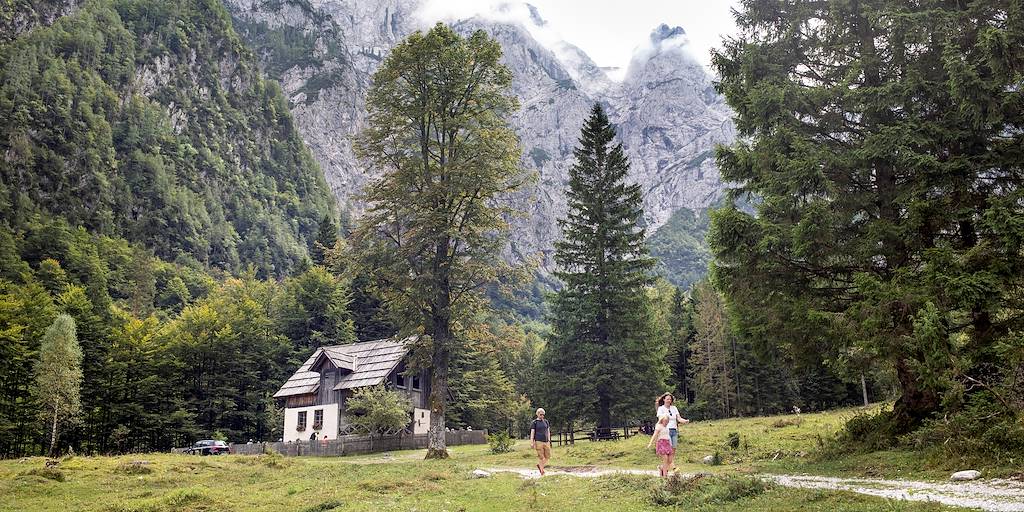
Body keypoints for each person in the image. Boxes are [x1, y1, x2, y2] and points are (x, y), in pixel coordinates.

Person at [530, 408, 551, 476]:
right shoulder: (534, 422)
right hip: (538, 441)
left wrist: (549, 439)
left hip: (546, 441)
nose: (542, 416)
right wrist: (532, 442)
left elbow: (548, 431)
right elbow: (532, 432)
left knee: (547, 456)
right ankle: (542, 471)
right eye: (541, 414)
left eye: (543, 415)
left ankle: (540, 465)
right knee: (541, 457)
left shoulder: (546, 422)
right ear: (537, 414)